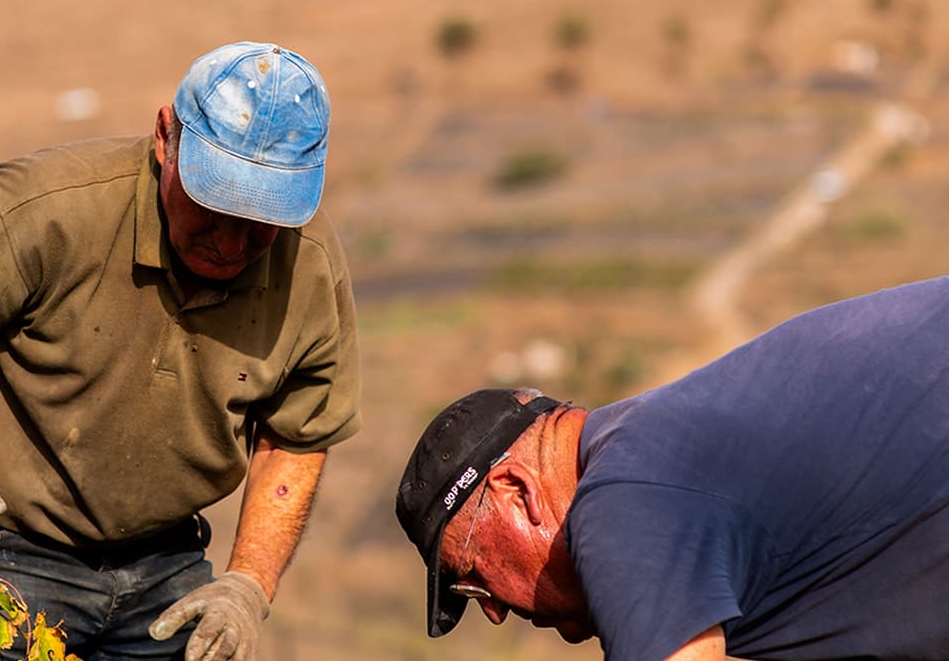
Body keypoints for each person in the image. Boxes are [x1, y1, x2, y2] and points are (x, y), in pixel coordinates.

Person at [0, 40, 361, 661]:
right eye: (212, 203)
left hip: (168, 568)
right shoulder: (42, 213)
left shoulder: (308, 266)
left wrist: (248, 584)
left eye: (260, 221)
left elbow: (297, 437)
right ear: (166, 138)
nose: (229, 241)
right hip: (0, 555)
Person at [395, 276, 949, 661]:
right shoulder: (651, 450)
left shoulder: (624, 505)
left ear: (517, 492)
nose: (493, 611)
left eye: (472, 577)